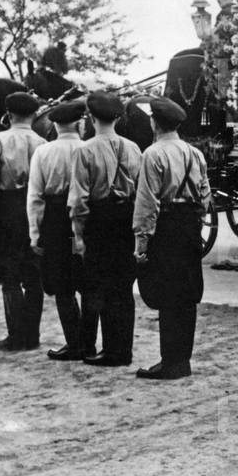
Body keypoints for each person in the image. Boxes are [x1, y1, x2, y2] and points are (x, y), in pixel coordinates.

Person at [133, 97, 212, 380]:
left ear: (154, 122)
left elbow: (147, 204)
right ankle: (182, 360)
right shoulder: (195, 153)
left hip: (165, 228)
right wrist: (194, 224)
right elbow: (205, 198)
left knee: (167, 295)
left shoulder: (152, 154)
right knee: (187, 295)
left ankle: (170, 362)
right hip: (189, 227)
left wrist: (141, 244)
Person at [70, 92, 142, 367]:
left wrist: (78, 235)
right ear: (118, 117)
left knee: (99, 284)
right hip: (126, 219)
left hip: (98, 221)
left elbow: (78, 200)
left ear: (91, 116)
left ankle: (107, 350)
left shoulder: (84, 150)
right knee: (123, 287)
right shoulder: (133, 148)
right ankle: (122, 349)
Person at [0, 92, 46, 351]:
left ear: (8, 113)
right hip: (35, 206)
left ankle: (16, 336)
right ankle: (33, 335)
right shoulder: (42, 141)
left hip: (5, 208)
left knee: (9, 276)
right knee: (33, 276)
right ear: (34, 114)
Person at [28, 100, 88, 360]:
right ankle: (90, 343)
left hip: (54, 217)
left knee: (62, 284)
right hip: (87, 215)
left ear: (53, 124)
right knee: (89, 282)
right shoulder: (89, 149)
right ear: (80, 123)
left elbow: (36, 196)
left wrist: (34, 231)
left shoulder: (44, 151)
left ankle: (74, 343)